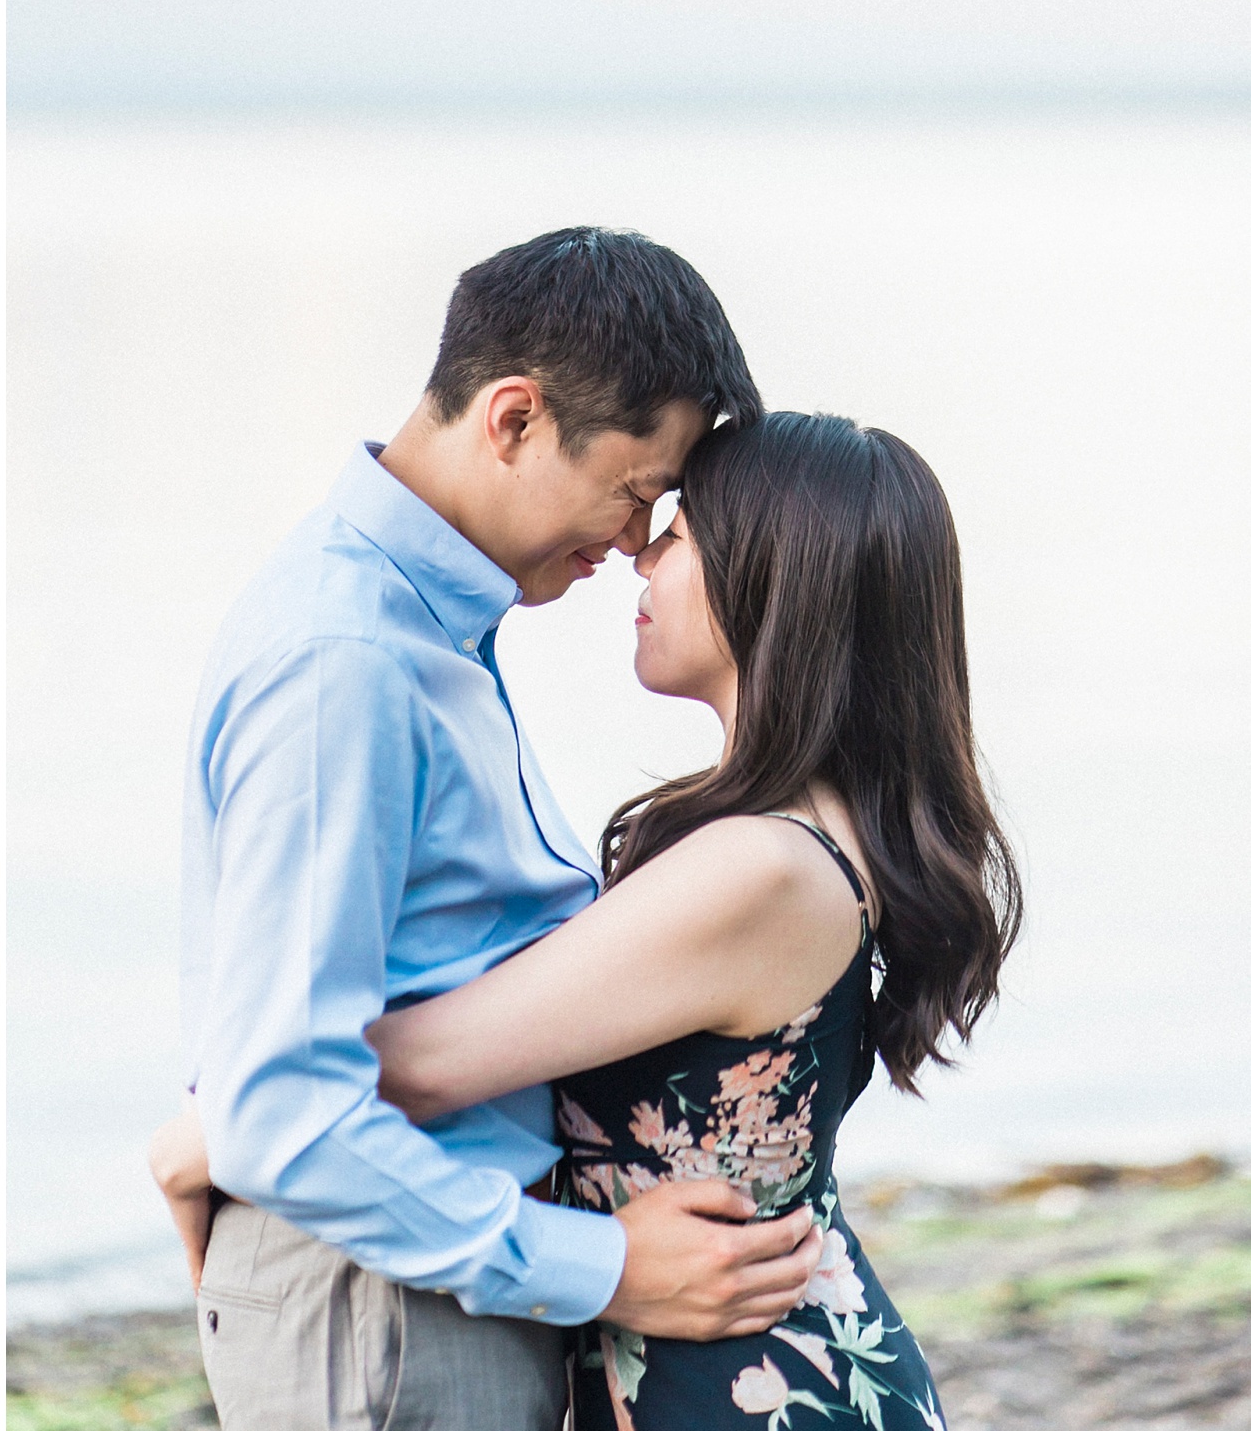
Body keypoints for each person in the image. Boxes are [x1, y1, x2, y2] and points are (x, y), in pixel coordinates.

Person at [158, 406, 1021, 1429]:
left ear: (774, 582)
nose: (640, 554)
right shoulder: (795, 834)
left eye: (682, 530)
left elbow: (426, 1060)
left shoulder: (758, 867)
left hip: (746, 1391)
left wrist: (201, 1135)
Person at [162, 228, 821, 1431]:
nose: (635, 539)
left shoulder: (423, 629)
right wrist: (602, 1266)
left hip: (420, 1285)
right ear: (513, 418)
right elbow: (283, 1108)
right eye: (634, 491)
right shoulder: (345, 661)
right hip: (385, 1303)